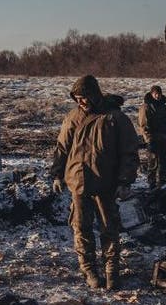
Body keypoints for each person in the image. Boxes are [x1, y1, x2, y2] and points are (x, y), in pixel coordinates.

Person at [51, 75, 139, 290]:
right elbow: (62, 148)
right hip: (78, 181)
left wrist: (124, 181)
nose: (81, 102)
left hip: (105, 183)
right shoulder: (73, 117)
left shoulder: (115, 118)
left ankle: (111, 271)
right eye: (78, 98)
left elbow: (129, 152)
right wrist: (57, 174)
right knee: (81, 228)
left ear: (94, 95)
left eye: (84, 97)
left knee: (109, 228)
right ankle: (89, 270)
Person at [137, 85, 166, 190]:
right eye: (156, 94)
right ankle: (151, 184)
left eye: (159, 94)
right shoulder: (146, 107)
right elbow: (143, 125)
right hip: (153, 138)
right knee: (153, 162)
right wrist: (148, 140)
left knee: (164, 162)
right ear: (152, 94)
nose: (158, 96)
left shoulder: (164, 107)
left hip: (164, 138)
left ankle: (162, 183)